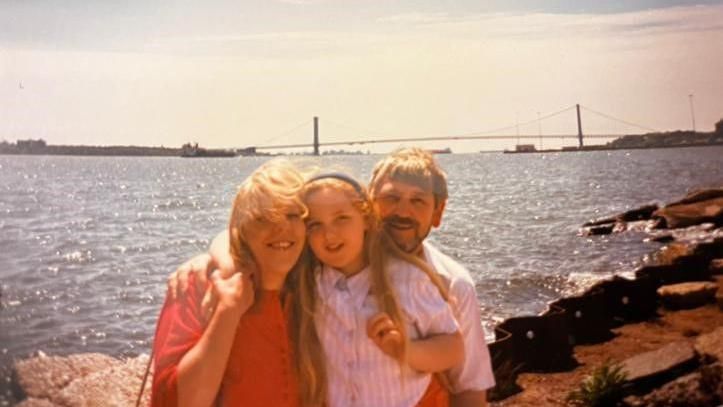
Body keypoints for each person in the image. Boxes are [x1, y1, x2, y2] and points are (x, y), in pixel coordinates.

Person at [170, 148, 496, 406]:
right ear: (372, 205)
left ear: (438, 213)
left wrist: (405, 349)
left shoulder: (442, 282)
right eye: (391, 198)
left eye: (418, 202)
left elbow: (468, 383)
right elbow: (263, 235)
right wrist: (216, 264)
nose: (402, 212)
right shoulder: (315, 271)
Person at [294, 173, 463, 406]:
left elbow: (453, 348)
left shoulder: (407, 279)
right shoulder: (309, 286)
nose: (329, 234)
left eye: (341, 218)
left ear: (365, 218)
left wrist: (404, 349)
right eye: (315, 225)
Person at [151, 159, 308, 407]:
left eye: (293, 215)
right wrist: (228, 311)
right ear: (241, 230)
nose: (282, 228)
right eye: (264, 219)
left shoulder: (313, 290)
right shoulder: (198, 285)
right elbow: (171, 401)